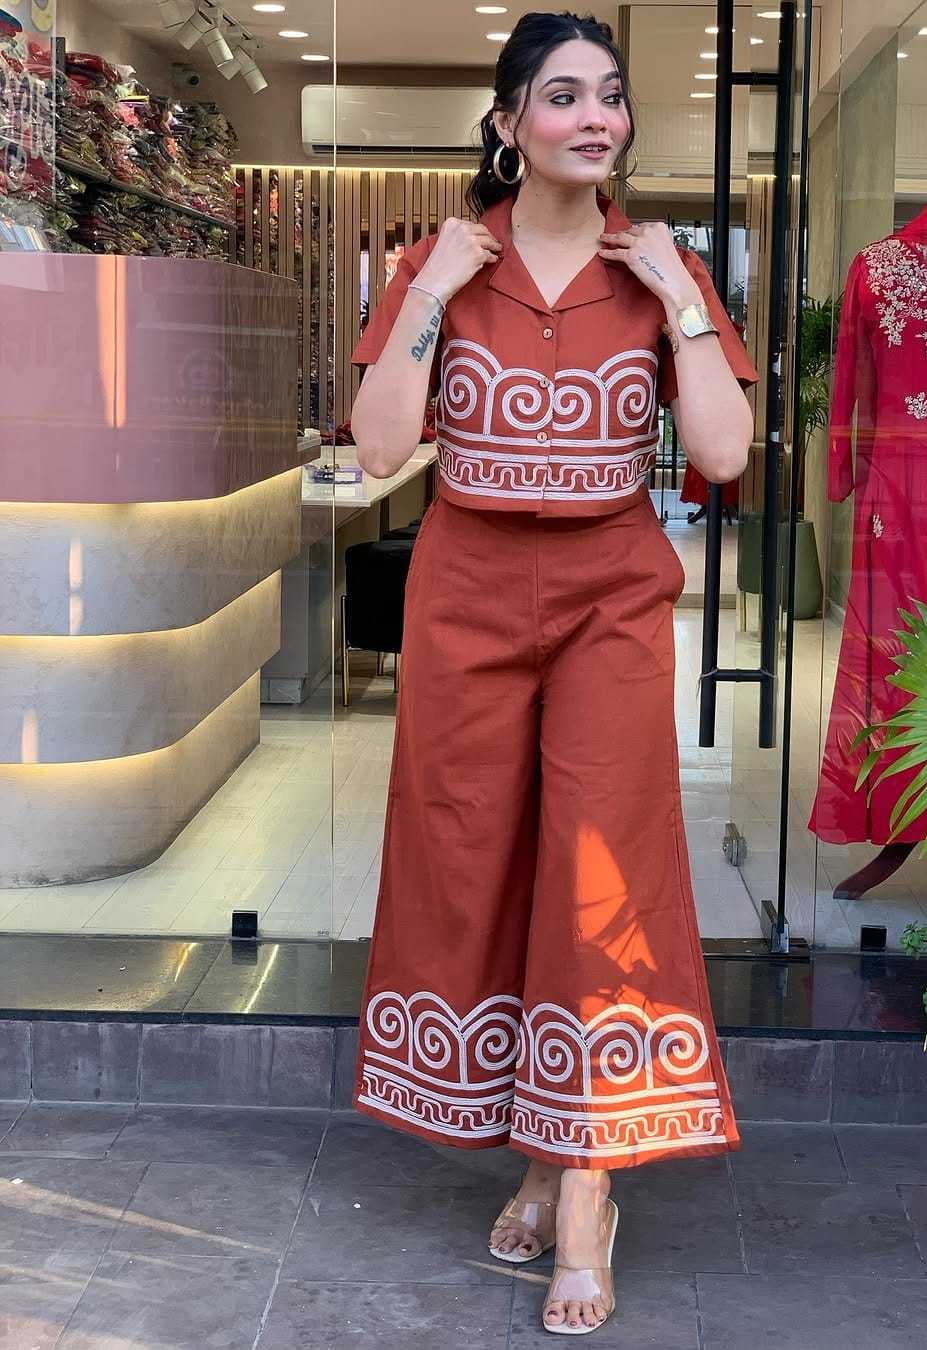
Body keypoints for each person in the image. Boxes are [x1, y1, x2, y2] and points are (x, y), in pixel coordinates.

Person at [348, 11, 756, 1335]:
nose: (597, 118)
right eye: (566, 95)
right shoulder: (443, 263)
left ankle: (586, 1190)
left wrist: (685, 301)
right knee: (479, 856)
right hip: (465, 593)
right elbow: (379, 448)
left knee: (602, 869)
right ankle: (536, 1150)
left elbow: (725, 452)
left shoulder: (659, 269)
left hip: (609, 600)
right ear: (509, 120)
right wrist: (426, 293)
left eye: (611, 97)